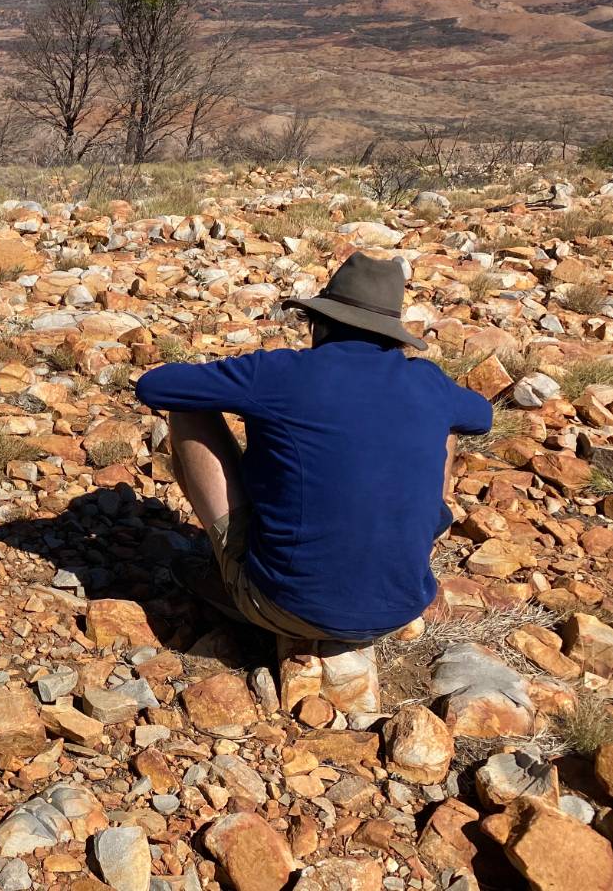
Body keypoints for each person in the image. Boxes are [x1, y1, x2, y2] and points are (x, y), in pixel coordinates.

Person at [135, 251, 493, 643]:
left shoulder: (278, 373)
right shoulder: (428, 381)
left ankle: (230, 569)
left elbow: (155, 386)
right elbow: (482, 416)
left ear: (318, 325)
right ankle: (412, 540)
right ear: (391, 337)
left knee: (190, 410)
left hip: (286, 607)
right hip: (401, 607)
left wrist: (238, 386)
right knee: (447, 421)